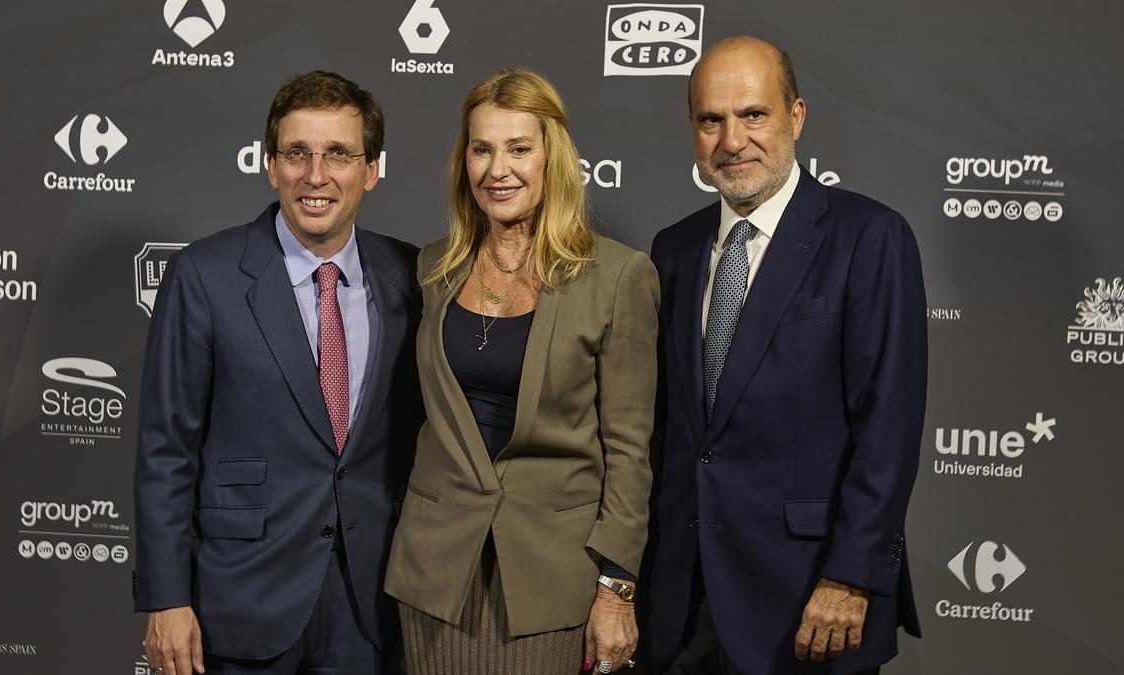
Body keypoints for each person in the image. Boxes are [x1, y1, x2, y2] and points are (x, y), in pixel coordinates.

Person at [642, 36, 927, 675]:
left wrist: (851, 578)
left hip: (809, 601)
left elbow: (888, 429)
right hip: (682, 604)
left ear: (796, 117)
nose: (731, 140)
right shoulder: (674, 250)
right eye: (710, 120)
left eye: (753, 115)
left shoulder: (870, 237)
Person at [133, 70, 421, 675]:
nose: (316, 176)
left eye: (338, 154)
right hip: (241, 600)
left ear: (371, 170)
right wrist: (166, 598)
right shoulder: (204, 275)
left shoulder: (413, 275)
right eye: (297, 153)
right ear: (271, 165)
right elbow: (166, 451)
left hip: (373, 609)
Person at [384, 67, 658, 675]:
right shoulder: (433, 268)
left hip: (552, 580)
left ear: (551, 157)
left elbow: (629, 451)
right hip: (434, 576)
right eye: (481, 149)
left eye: (518, 149)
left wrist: (617, 588)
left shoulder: (618, 276)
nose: (496, 169)